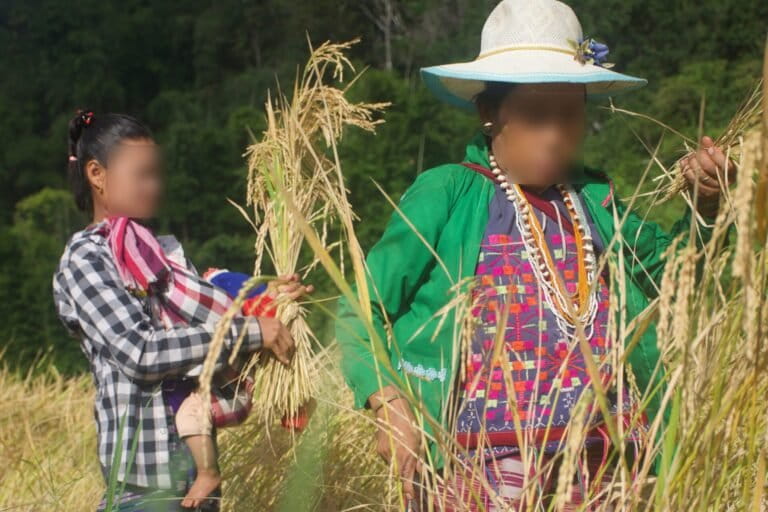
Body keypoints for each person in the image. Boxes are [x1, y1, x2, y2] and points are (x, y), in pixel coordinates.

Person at [336, 0, 735, 509]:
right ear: (488, 113)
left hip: (603, 462)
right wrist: (388, 402)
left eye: (569, 115)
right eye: (534, 115)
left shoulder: (596, 202)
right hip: (481, 465)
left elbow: (676, 275)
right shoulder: (447, 194)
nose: (554, 134)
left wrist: (708, 207)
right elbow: (358, 306)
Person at [52, 110, 311, 511]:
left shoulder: (163, 256)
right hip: (143, 488)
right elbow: (142, 352)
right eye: (141, 174)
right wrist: (251, 330)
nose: (154, 185)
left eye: (157, 173)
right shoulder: (87, 258)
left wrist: (267, 301)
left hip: (196, 483)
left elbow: (210, 332)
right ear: (96, 174)